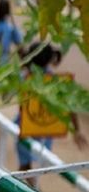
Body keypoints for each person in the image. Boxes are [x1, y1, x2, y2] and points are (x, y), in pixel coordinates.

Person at [15, 42, 87, 171]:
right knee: (39, 162)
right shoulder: (56, 81)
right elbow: (69, 106)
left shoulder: (23, 78)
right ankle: (33, 187)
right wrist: (76, 130)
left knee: (25, 163)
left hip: (25, 125)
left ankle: (32, 188)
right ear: (50, 59)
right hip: (46, 128)